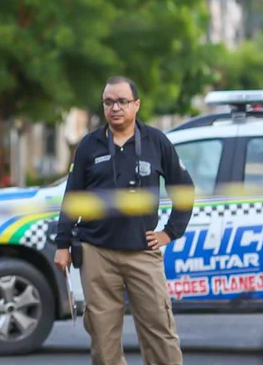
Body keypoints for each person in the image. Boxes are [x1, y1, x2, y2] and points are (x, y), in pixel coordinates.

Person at [54, 76, 192, 365]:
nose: (115, 108)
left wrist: (169, 232)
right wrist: (63, 244)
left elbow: (184, 189)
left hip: (142, 253)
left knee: (160, 330)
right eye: (108, 102)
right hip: (97, 253)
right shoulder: (89, 145)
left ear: (136, 105)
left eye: (122, 102)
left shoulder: (156, 141)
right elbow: (73, 196)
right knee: (103, 340)